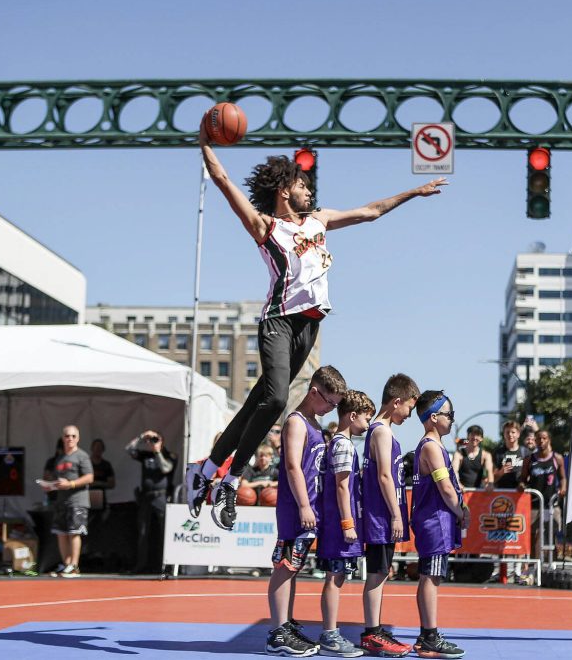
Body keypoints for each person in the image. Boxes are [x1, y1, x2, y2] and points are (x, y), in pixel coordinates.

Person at [186, 131, 448, 533]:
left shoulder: (319, 221)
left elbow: (371, 212)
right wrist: (206, 141)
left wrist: (415, 191)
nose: (309, 190)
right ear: (283, 189)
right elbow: (222, 179)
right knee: (274, 400)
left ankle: (205, 467)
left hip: (309, 326)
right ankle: (230, 478)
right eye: (302, 184)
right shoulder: (266, 227)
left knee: (261, 400)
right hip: (279, 321)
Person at [265, 365, 346, 657]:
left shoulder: (314, 423)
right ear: (314, 392)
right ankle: (277, 632)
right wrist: (302, 505)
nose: (331, 408)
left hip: (309, 508)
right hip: (296, 509)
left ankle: (285, 623)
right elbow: (292, 466)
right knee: (284, 567)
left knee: (294, 568)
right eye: (330, 402)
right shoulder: (297, 422)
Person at [360, 374, 419, 658]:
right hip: (381, 515)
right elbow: (384, 476)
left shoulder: (382, 430)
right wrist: (396, 515)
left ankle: (376, 628)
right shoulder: (381, 431)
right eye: (408, 407)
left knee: (381, 573)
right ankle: (371, 633)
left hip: (384, 513)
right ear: (396, 401)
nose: (409, 414)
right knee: (376, 574)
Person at [316, 389, 374, 658]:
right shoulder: (343, 445)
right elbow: (341, 486)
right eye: (366, 417)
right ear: (352, 416)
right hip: (338, 525)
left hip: (338, 523)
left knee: (336, 578)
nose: (369, 423)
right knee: (334, 578)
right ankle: (329, 634)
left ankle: (330, 632)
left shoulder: (342, 444)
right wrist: (347, 523)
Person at [410, 390, 468, 659]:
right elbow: (445, 487)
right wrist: (459, 511)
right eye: (449, 414)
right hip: (435, 520)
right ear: (433, 418)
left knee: (429, 576)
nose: (452, 419)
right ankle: (430, 635)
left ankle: (427, 635)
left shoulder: (434, 445)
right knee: (431, 578)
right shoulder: (431, 446)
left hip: (434, 520)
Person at [40, 425, 93, 578]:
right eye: (67, 436)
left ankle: (74, 566)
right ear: (63, 438)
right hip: (61, 501)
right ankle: (66, 564)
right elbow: (58, 480)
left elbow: (90, 477)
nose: (70, 439)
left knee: (74, 533)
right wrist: (50, 486)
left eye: (73, 436)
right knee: (61, 533)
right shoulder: (60, 458)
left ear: (78, 438)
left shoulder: (82, 456)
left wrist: (71, 484)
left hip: (77, 501)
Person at [518, 429, 567, 577]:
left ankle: (553, 564)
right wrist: (521, 485)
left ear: (549, 440)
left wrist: (563, 488)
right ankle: (534, 566)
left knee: (552, 535)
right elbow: (522, 478)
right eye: (538, 439)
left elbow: (563, 478)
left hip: (552, 503)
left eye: (544, 438)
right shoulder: (529, 459)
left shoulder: (556, 458)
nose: (541, 441)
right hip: (534, 503)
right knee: (534, 536)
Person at [127, 430, 177, 573]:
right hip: (146, 497)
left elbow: (166, 468)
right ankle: (141, 565)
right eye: (152, 440)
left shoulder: (170, 456)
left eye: (157, 439)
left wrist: (158, 452)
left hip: (160, 497)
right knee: (143, 532)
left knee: (164, 532)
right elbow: (129, 450)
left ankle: (164, 565)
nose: (154, 442)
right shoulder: (146, 456)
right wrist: (141, 436)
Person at [451, 425, 494, 490]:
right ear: (468, 436)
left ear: (481, 438)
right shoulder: (459, 454)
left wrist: (490, 484)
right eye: (472, 434)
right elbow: (454, 470)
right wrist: (457, 483)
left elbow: (489, 471)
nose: (474, 437)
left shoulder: (486, 455)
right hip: (462, 491)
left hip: (478, 493)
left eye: (477, 435)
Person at [492, 421, 529, 490]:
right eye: (507, 432)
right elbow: (491, 479)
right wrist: (501, 472)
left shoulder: (526, 452)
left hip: (521, 495)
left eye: (513, 432)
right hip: (502, 494)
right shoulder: (498, 453)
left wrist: (523, 482)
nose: (510, 435)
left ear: (518, 434)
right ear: (504, 434)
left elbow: (531, 475)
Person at [89, 438, 116, 508]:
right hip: (85, 496)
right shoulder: (85, 464)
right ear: (92, 448)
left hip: (100, 497)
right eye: (96, 447)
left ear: (103, 450)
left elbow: (112, 484)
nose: (98, 449)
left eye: (100, 447)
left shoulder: (106, 465)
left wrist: (99, 483)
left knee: (98, 516)